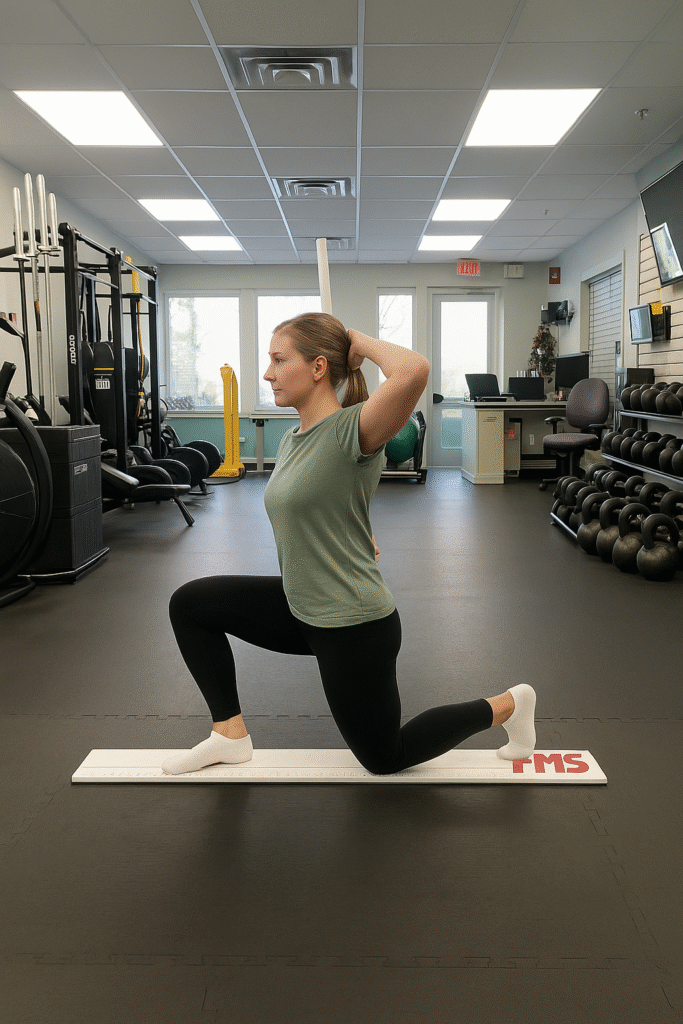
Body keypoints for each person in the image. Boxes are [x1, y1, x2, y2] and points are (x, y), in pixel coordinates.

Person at [161, 313, 536, 776]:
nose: (267, 373)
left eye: (279, 360)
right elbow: (325, 500)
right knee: (191, 606)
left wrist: (355, 341)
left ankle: (510, 706)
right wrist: (354, 527)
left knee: (385, 757)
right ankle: (229, 735)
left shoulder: (354, 429)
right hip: (301, 606)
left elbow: (414, 370)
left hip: (352, 624)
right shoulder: (295, 437)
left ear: (319, 368)